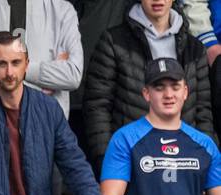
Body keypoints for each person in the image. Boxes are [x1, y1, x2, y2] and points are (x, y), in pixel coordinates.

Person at [0, 30, 120, 195]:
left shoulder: (48, 109)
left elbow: (75, 165)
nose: (9, 72)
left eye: (16, 63)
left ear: (27, 63)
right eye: (1, 63)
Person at [100, 56, 221, 195]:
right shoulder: (125, 138)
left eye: (175, 86)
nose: (168, 95)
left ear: (186, 92)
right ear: (146, 93)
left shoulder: (205, 144)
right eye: (159, 87)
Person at [85, 0, 214, 172]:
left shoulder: (195, 48)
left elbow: (203, 112)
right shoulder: (113, 41)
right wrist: (109, 163)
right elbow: (97, 107)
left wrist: (205, 165)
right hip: (130, 167)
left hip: (183, 167)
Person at [0, 0, 84, 118]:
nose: (10, 71)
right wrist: (44, 79)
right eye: (1, 63)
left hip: (49, 124)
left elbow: (73, 75)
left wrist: (11, 71)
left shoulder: (63, 10)